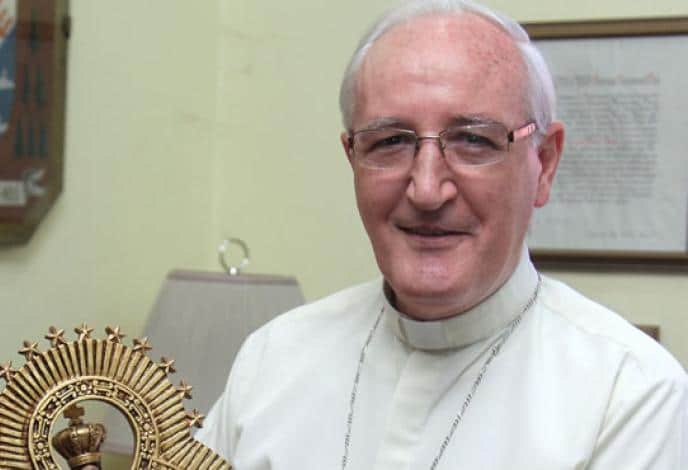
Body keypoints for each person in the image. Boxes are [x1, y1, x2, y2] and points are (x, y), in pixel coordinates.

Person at [196, 1, 688, 468]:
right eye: (390, 141)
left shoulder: (629, 395)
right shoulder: (272, 359)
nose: (427, 190)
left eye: (473, 140)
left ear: (544, 164)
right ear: (353, 159)